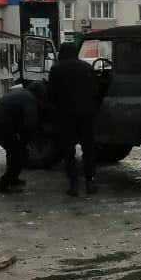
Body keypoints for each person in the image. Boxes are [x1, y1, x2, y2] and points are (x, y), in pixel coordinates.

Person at [47, 41, 101, 196]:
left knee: (68, 150)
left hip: (66, 116)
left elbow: (51, 94)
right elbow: (96, 91)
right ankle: (90, 181)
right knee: (89, 148)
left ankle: (74, 184)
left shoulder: (56, 69)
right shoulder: (86, 67)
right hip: (87, 115)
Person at [0, 86, 39, 194]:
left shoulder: (22, 93)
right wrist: (25, 141)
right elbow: (30, 124)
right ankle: (3, 185)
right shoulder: (30, 99)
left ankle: (13, 179)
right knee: (18, 153)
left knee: (13, 151)